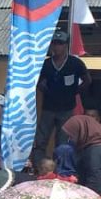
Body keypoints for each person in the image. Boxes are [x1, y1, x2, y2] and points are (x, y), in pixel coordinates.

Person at [34, 30, 90, 165]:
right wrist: (44, 89)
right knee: (41, 140)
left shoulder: (75, 63)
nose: (56, 46)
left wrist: (75, 91)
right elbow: (38, 82)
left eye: (60, 43)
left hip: (66, 109)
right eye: (54, 43)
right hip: (48, 108)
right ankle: (38, 167)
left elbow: (87, 79)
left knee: (62, 142)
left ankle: (60, 169)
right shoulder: (46, 64)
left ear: (66, 45)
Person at [61, 114, 101, 195]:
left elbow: (94, 179)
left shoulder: (95, 152)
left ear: (81, 131)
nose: (70, 139)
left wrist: (82, 196)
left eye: (72, 135)